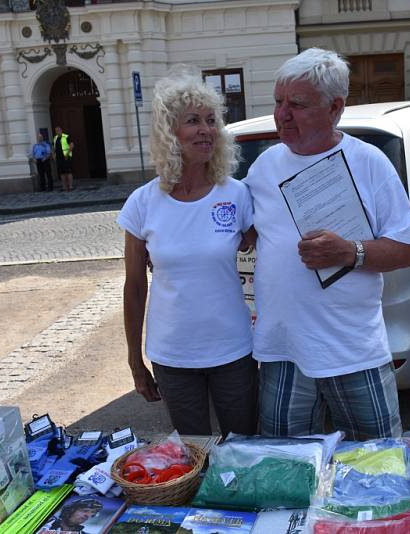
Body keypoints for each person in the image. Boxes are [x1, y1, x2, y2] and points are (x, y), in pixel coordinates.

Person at [243, 48, 410, 441]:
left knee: (380, 463)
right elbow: (237, 228)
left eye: (298, 105)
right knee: (287, 468)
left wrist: (351, 252)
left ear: (335, 107)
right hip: (283, 349)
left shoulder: (370, 162)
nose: (282, 114)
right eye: (278, 102)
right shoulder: (264, 166)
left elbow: (407, 250)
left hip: (353, 349)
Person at [117, 67, 257, 438]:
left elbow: (270, 254)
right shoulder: (143, 203)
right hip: (173, 355)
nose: (206, 129)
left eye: (212, 121)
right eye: (193, 121)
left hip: (233, 350)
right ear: (169, 132)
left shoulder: (236, 194)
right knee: (194, 454)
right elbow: (134, 287)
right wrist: (135, 361)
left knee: (242, 449)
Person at [53, 126, 74, 192]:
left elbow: (72, 145)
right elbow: (54, 148)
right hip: (59, 157)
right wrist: (54, 155)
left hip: (66, 157)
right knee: (62, 173)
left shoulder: (66, 136)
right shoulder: (55, 138)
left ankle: (70, 186)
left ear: (61, 130)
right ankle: (64, 186)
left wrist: (67, 154)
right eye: (56, 130)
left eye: (58, 130)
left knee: (68, 171)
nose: (57, 131)